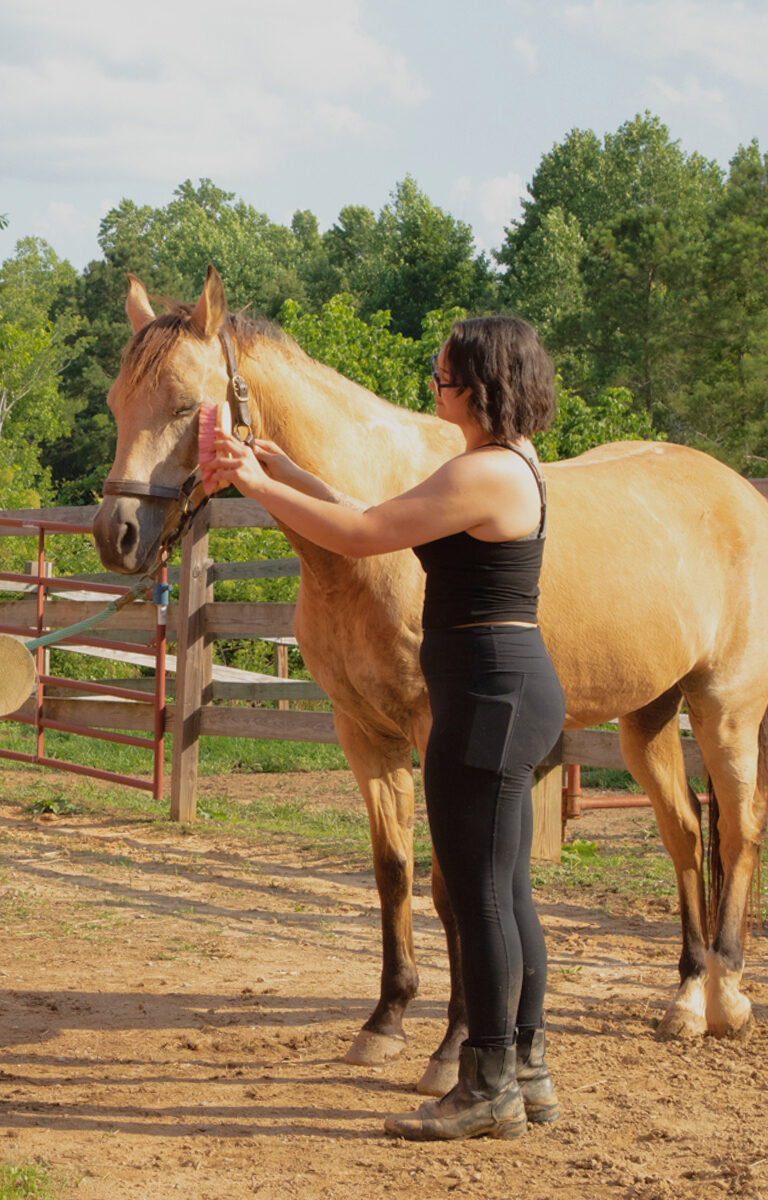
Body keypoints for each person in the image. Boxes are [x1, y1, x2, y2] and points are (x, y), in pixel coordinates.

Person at [209, 316, 566, 1142]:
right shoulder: (509, 465)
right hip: (505, 691)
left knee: (478, 895)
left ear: (481, 387)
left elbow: (368, 536)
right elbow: (377, 509)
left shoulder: (482, 473)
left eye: (442, 380)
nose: (434, 394)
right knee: (506, 891)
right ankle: (527, 1070)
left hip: (484, 698)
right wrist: (288, 468)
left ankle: (487, 1084)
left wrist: (256, 489)